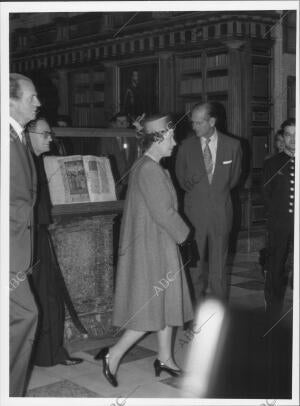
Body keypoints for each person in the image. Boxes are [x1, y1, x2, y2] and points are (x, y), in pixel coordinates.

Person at [94, 114, 193, 387]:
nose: (176, 142)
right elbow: (164, 213)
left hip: (157, 245)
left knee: (166, 304)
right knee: (147, 310)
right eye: (172, 137)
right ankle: (113, 356)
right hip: (153, 249)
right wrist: (186, 237)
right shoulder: (150, 169)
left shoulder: (148, 165)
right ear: (158, 138)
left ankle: (165, 359)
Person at [26, 117, 83, 367]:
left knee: (48, 294)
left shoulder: (36, 160)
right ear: (29, 134)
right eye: (45, 133)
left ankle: (48, 353)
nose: (50, 138)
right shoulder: (20, 160)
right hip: (23, 238)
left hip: (38, 233)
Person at [175, 102, 242, 301]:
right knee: (194, 267)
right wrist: (196, 179)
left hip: (221, 213)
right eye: (192, 123)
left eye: (199, 123)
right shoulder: (186, 147)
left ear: (212, 121)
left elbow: (234, 179)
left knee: (219, 269)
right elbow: (181, 181)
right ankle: (194, 315)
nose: (194, 127)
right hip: (194, 215)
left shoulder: (233, 145)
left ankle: (217, 315)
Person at [9, 73, 40, 396]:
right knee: (25, 316)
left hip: (17, 247)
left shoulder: (18, 136)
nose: (39, 103)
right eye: (32, 98)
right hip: (8, 249)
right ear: (10, 101)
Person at [263, 118, 295, 317]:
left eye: (296, 134)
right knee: (276, 266)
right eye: (288, 134)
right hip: (280, 224)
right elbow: (266, 195)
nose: (292, 139)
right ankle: (273, 311)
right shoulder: (272, 164)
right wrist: (275, 220)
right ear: (283, 137)